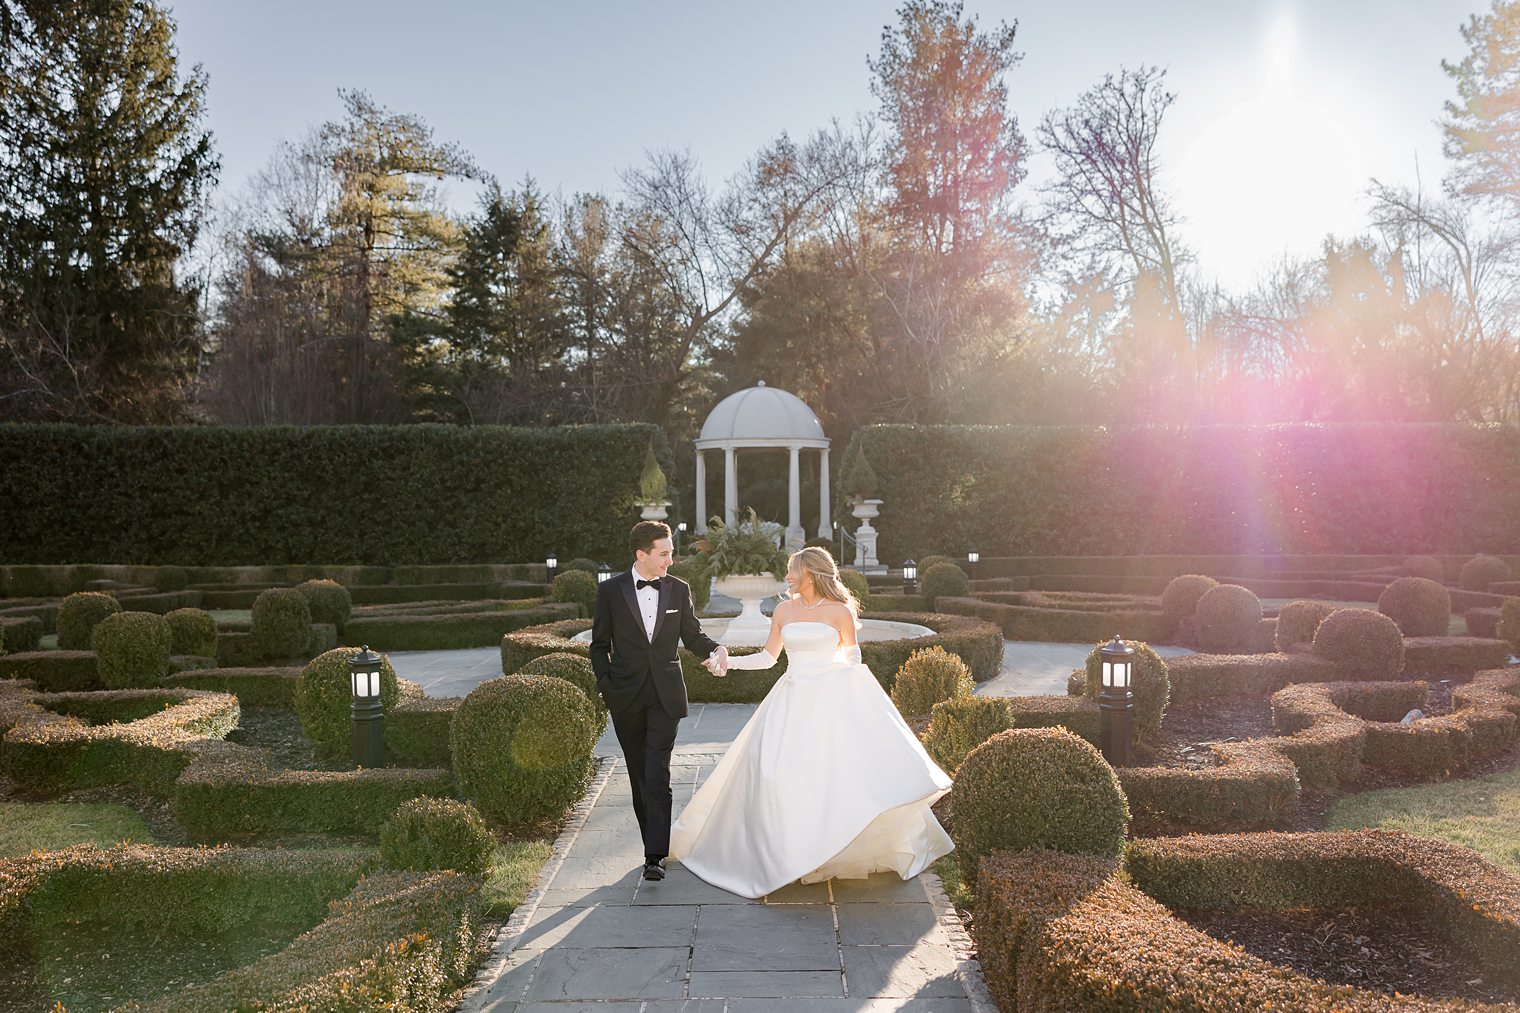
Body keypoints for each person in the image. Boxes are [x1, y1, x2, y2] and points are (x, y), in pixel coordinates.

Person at [668, 546, 953, 898]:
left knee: (833, 778)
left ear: (811, 573)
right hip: (790, 697)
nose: (787, 576)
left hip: (830, 702)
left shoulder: (840, 612)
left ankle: (829, 848)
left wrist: (857, 710)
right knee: (775, 775)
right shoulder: (784, 610)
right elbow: (768, 659)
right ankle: (787, 854)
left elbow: (853, 663)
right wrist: (728, 664)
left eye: (792, 570)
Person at [590, 520, 728, 882]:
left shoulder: (679, 590)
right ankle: (651, 842)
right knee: (638, 775)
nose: (671, 559)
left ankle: (655, 855)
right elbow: (599, 645)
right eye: (664, 553)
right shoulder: (610, 592)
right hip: (625, 695)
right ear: (642, 554)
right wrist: (607, 686)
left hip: (666, 695)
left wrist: (716, 649)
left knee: (657, 771)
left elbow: (693, 635)